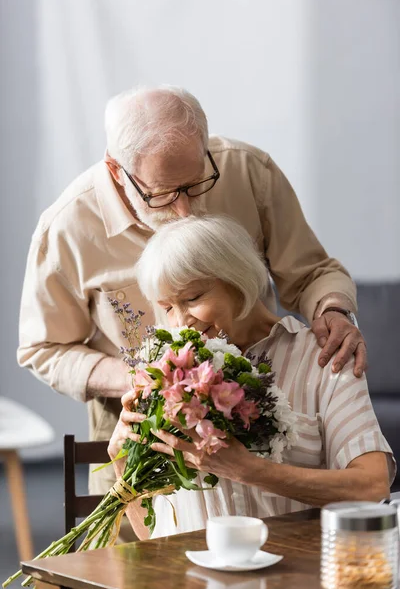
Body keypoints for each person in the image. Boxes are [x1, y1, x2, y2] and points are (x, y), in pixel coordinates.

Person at [18, 86, 366, 505]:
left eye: (197, 184)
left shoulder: (249, 171)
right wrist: (147, 380)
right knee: (139, 564)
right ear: (116, 171)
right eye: (164, 194)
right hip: (143, 437)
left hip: (260, 422)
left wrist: (334, 310)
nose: (185, 210)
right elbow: (43, 348)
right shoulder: (66, 228)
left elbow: (312, 273)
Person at [108, 215, 394, 540]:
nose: (181, 322)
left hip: (297, 574)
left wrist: (248, 470)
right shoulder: (167, 371)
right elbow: (151, 538)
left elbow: (372, 485)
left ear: (239, 279)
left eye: (192, 298)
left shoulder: (323, 356)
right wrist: (122, 461)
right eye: (168, 307)